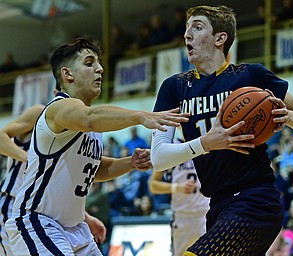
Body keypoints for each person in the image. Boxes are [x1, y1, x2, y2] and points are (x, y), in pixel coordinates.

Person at [150, 5, 293, 255]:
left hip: (255, 200)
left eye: (197, 27)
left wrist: (289, 116)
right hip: (217, 205)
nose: (187, 34)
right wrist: (205, 143)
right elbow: (159, 157)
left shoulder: (250, 75)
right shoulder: (175, 88)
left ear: (220, 38)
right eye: (186, 28)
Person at [4, 36, 189, 256]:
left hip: (75, 228)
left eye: (99, 63)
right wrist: (141, 116)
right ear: (67, 74)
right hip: (38, 222)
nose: (100, 69)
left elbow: (93, 168)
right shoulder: (58, 108)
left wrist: (130, 163)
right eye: (89, 63)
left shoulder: (93, 128)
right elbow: (89, 117)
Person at [0, 104, 106, 255]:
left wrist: (86, 217)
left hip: (44, 213)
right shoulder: (41, 112)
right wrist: (30, 158)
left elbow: (57, 189)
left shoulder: (73, 129)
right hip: (14, 203)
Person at [149, 139, 210, 256]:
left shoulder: (206, 139)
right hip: (182, 216)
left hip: (206, 213)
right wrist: (177, 187)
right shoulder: (169, 146)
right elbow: (153, 185)